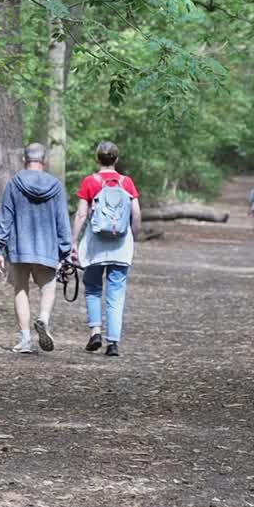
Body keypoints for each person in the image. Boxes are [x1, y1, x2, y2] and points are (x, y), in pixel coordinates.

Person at [0, 143, 72, 354]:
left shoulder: (14, 184)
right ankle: (43, 318)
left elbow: (4, 217)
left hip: (19, 247)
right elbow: (62, 220)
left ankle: (25, 339)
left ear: (24, 160)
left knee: (20, 289)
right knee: (48, 288)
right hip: (48, 247)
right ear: (44, 161)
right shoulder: (56, 186)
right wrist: (65, 250)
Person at [71, 141, 142, 357]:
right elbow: (136, 214)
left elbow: (82, 214)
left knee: (92, 287)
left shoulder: (90, 182)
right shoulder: (126, 182)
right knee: (116, 293)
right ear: (116, 160)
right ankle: (113, 343)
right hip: (121, 246)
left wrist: (73, 242)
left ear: (97, 159)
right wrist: (134, 239)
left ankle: (95, 331)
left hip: (95, 246)